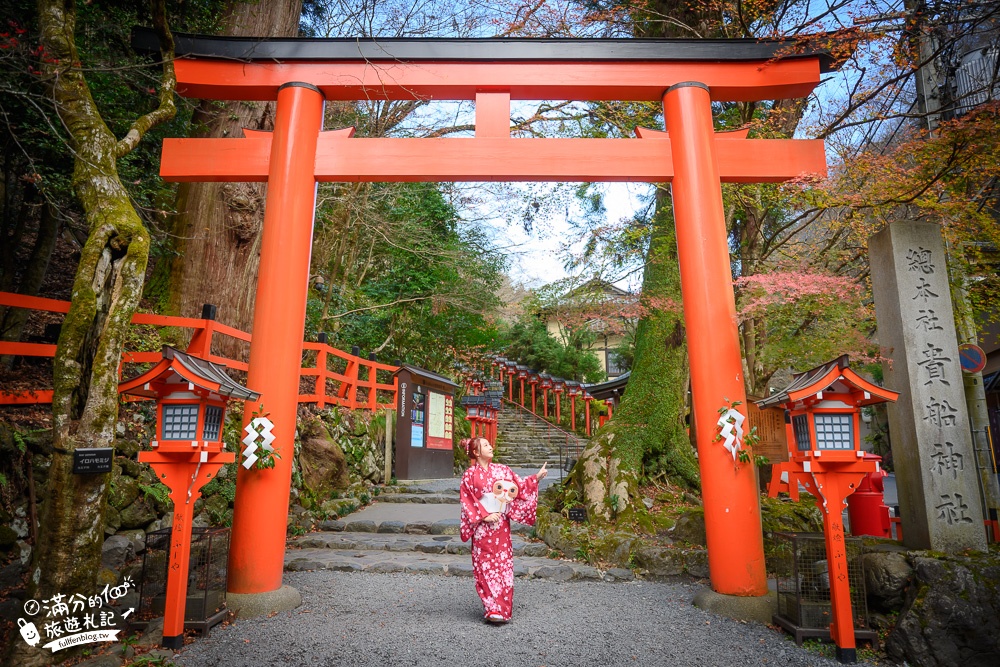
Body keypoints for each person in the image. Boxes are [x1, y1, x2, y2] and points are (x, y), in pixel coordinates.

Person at [459, 436, 548, 624]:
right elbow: (467, 500)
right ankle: (492, 608)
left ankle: (504, 609)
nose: (490, 447)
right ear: (476, 452)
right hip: (482, 528)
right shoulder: (469, 475)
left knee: (503, 566)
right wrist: (483, 515)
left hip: (500, 527)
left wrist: (535, 478)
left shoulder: (502, 470)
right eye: (485, 445)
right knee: (485, 567)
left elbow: (518, 487)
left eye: (489, 444)